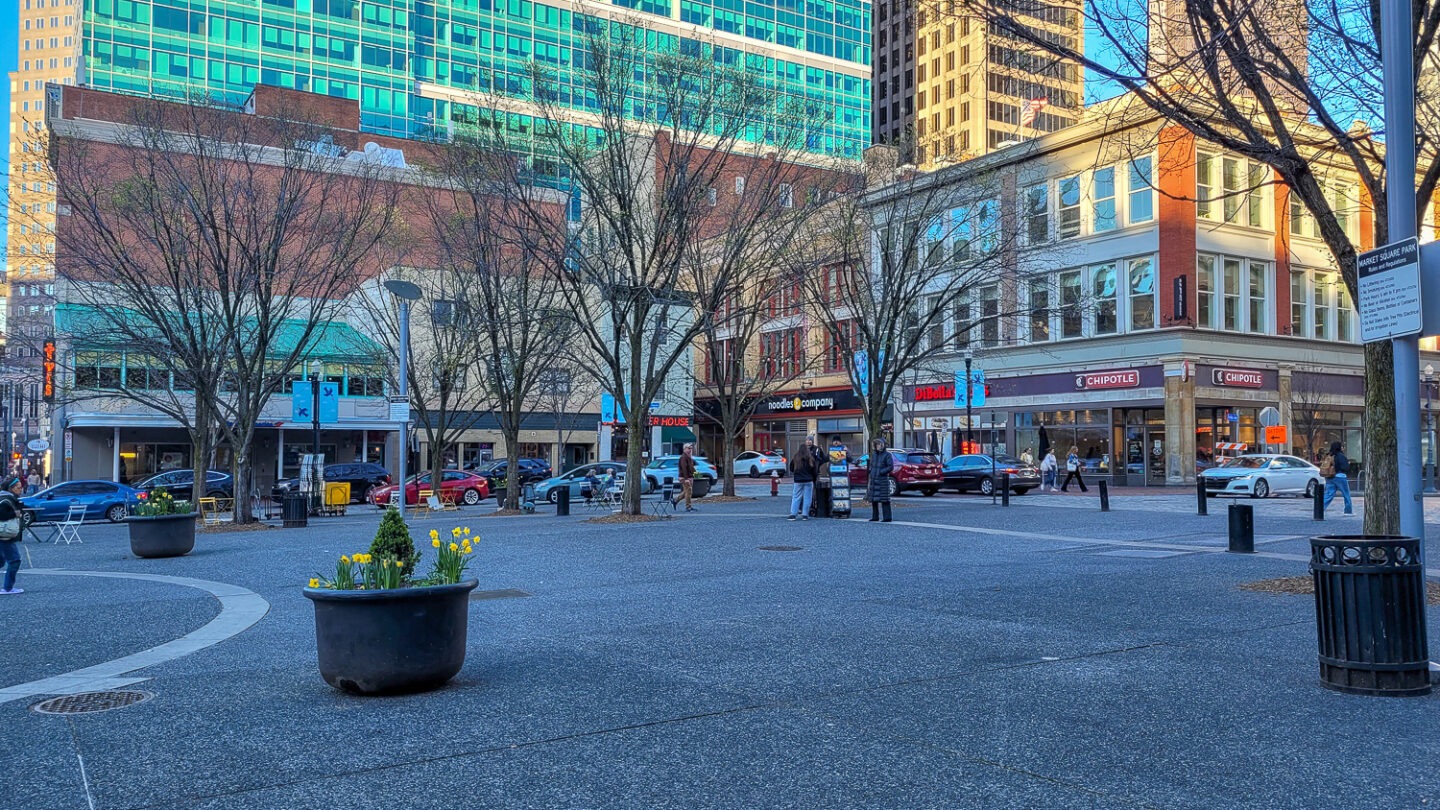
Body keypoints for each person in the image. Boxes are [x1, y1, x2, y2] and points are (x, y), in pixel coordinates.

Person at [0, 476, 25, 595]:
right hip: (5, 534)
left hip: (4, 534)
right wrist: (15, 513)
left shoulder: (5, 497)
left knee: (1, 561)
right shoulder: (6, 499)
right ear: (11, 488)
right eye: (18, 488)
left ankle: (8, 588)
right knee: (14, 560)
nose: (21, 490)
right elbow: (2, 514)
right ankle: (8, 588)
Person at [788, 437, 819, 520]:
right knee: (808, 497)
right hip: (808, 480)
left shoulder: (796, 457)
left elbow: (791, 468)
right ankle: (805, 514)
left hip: (798, 480)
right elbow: (814, 470)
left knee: (796, 496)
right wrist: (814, 478)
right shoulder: (810, 458)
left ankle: (793, 514)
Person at [867, 438, 895, 522]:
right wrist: (871, 471)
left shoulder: (887, 455)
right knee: (874, 499)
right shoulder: (874, 455)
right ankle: (875, 516)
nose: (878, 446)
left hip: (882, 480)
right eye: (876, 445)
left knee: (884, 499)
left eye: (879, 445)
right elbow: (871, 465)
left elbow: (890, 467)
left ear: (883, 445)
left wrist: (881, 472)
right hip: (874, 479)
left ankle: (887, 517)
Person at [1322, 441, 1354, 515]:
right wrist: (1348, 464)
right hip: (1340, 477)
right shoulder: (1341, 456)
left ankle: (1320, 509)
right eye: (1342, 446)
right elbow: (1345, 467)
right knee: (1346, 495)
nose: (1343, 448)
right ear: (1339, 447)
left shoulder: (1329, 455)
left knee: (1328, 494)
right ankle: (1348, 511)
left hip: (1329, 476)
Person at [678, 443, 698, 513]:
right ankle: (688, 506)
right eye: (689, 448)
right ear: (685, 449)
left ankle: (675, 500)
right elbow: (684, 468)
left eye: (691, 448)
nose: (690, 450)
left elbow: (691, 468)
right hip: (685, 477)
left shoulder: (689, 457)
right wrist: (686, 479)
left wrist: (696, 475)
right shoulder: (683, 457)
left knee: (686, 491)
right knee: (688, 492)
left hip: (688, 477)